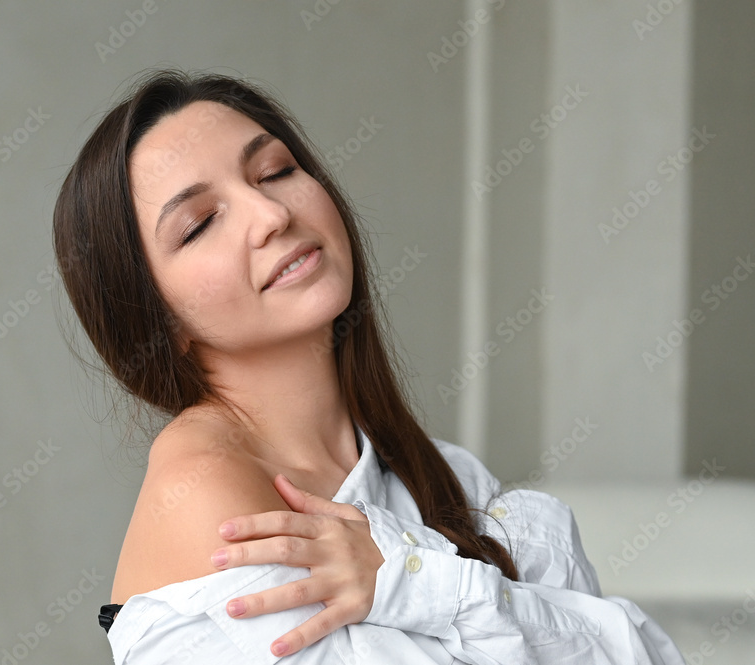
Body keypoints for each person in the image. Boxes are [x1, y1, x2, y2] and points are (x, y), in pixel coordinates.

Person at [52, 68, 686, 664]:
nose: (273, 215)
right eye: (200, 224)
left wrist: (410, 576)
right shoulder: (205, 492)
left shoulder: (437, 472)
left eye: (275, 171)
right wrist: (439, 584)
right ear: (158, 320)